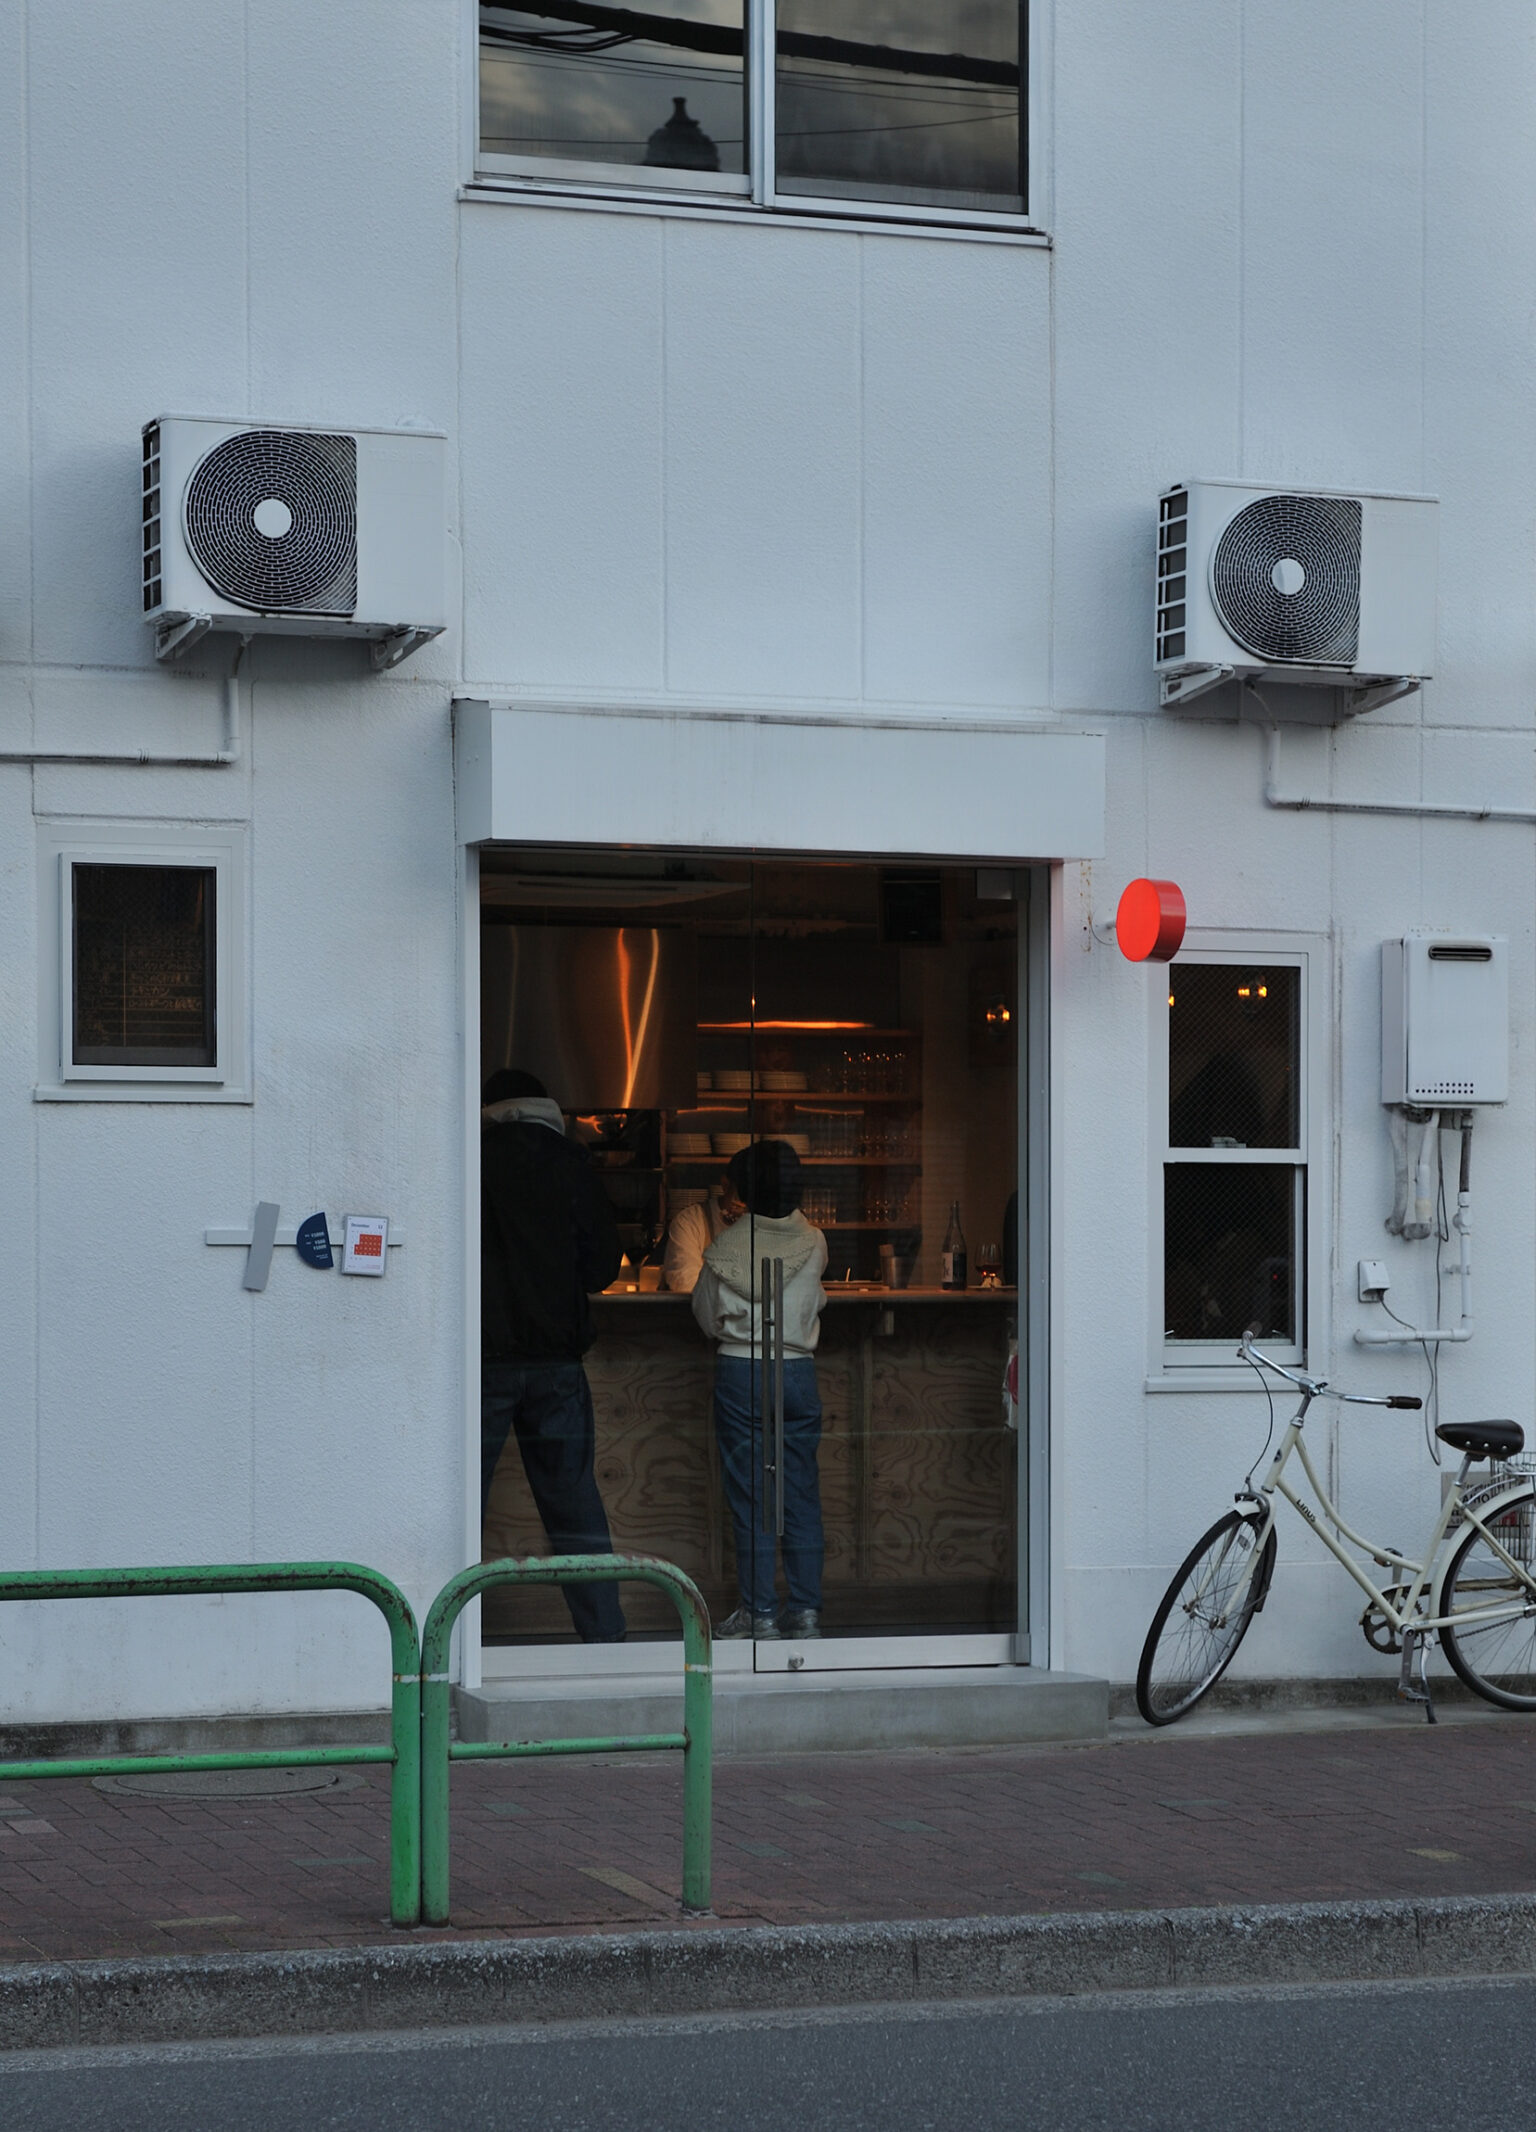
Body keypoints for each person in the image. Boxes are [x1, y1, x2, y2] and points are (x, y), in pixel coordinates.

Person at [480, 1067, 626, 1642]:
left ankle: (446, 1646)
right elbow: (602, 1268)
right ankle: (604, 1637)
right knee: (574, 1505)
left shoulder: (469, 1159)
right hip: (557, 1363)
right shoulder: (571, 1164)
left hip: (483, 1361)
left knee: (461, 1506)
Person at [691, 1140, 828, 1639]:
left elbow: (706, 1316)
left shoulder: (726, 1248)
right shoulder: (814, 1240)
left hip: (741, 1371)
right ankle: (805, 1612)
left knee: (752, 1496)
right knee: (800, 1493)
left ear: (744, 1191)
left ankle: (759, 1613)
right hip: (796, 1371)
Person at [662, 1171, 746, 1294]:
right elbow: (685, 1282)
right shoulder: (691, 1221)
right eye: (739, 1198)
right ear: (725, 1184)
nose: (744, 1207)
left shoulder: (761, 1225)